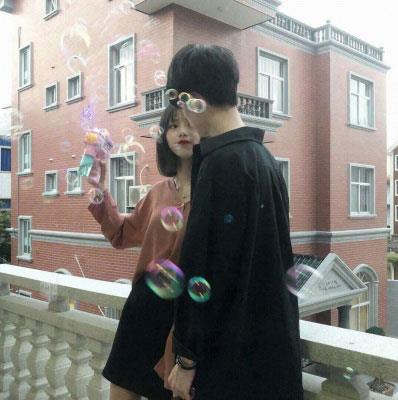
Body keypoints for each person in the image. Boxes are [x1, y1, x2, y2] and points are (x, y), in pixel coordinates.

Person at [166, 44, 304, 400]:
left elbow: (204, 267)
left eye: (180, 102)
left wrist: (186, 358)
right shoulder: (266, 159)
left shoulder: (219, 164)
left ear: (193, 100)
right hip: (272, 358)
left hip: (230, 365)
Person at [88, 105, 199, 400]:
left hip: (185, 320)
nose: (182, 131)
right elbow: (122, 233)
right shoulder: (157, 193)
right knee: (121, 389)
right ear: (165, 138)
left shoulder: (215, 192)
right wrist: (101, 189)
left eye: (190, 123)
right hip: (142, 310)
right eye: (174, 125)